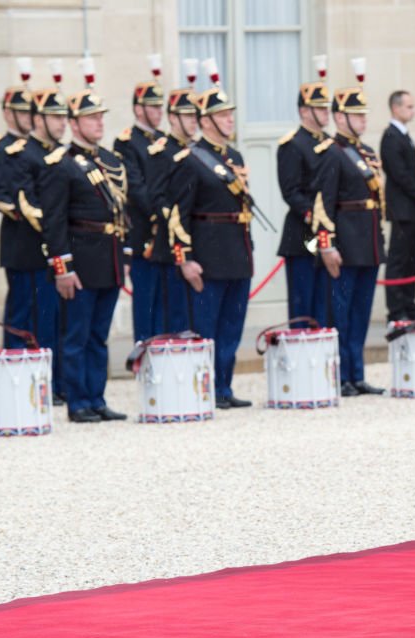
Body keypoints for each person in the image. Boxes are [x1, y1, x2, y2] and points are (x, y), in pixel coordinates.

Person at [39, 63, 130, 423]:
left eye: (100, 117)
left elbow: (122, 213)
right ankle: (77, 401)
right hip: (79, 261)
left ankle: (96, 396)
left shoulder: (108, 161)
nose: (99, 124)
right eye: (91, 119)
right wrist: (62, 267)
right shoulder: (60, 165)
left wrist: (123, 258)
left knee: (98, 336)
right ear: (74, 124)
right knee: (75, 335)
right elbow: (54, 222)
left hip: (107, 259)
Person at [167, 60, 255, 409]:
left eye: (231, 114)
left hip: (237, 250)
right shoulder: (190, 159)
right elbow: (178, 214)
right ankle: (201, 389)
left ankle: (224, 388)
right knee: (206, 327)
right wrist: (185, 259)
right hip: (207, 252)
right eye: (223, 115)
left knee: (232, 326)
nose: (231, 120)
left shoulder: (234, 156)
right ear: (205, 122)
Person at [310, 58, 387, 398]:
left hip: (367, 240)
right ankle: (340, 374)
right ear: (339, 118)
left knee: (361, 312)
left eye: (364, 115)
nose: (363, 120)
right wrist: (326, 244)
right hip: (345, 242)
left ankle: (357, 373)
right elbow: (321, 203)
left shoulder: (365, 151)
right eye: (357, 115)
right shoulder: (332, 152)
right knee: (339, 313)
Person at [2, 74, 70, 406]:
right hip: (27, 250)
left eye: (64, 117)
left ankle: (53, 383)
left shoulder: (63, 154)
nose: (63, 123)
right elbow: (25, 203)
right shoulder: (21, 154)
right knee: (24, 319)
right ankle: (18, 382)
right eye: (56, 117)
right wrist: (58, 228)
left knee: (53, 319)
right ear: (38, 119)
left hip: (57, 252)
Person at [0, 61, 36, 348]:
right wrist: (35, 214)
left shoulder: (38, 148)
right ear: (7, 113)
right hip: (20, 240)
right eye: (22, 112)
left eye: (30, 111)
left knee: (45, 313)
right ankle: (15, 362)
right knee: (21, 308)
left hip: (45, 243)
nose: (28, 117)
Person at [276, 56, 331, 329]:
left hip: (326, 231)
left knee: (325, 303)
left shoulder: (331, 144)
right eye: (318, 108)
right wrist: (315, 214)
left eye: (326, 107)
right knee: (303, 302)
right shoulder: (293, 145)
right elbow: (291, 191)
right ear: (304, 111)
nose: (325, 112)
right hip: (304, 231)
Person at [115, 56, 167, 341]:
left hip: (166, 238)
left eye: (160, 107)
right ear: (138, 109)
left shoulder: (164, 141)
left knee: (166, 307)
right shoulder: (126, 142)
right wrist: (164, 213)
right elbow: (135, 187)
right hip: (144, 235)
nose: (159, 112)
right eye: (153, 107)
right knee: (146, 306)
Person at [146, 63, 199, 334]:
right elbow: (157, 198)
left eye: (195, 115)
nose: (193, 120)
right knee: (174, 320)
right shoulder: (161, 151)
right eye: (186, 115)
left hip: (200, 247)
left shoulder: (200, 151)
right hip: (171, 247)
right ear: (172, 118)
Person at [380, 89, 415, 322]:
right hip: (401, 209)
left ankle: (408, 302)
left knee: (412, 258)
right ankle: (396, 306)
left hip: (413, 208)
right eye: (408, 107)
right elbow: (399, 174)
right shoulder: (390, 136)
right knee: (399, 259)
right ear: (396, 108)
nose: (412, 111)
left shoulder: (405, 136)